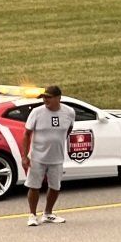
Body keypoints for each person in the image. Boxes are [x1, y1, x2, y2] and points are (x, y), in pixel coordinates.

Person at [24, 85, 75, 226]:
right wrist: (24, 156)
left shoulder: (69, 112)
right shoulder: (36, 112)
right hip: (37, 157)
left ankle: (48, 213)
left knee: (55, 187)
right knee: (34, 186)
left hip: (57, 157)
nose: (45, 100)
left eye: (49, 97)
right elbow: (27, 134)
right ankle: (32, 215)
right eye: (44, 97)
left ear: (59, 98)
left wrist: (58, 140)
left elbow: (69, 128)